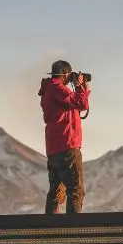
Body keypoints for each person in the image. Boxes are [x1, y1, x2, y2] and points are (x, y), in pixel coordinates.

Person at [37, 60, 90, 214]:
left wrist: (81, 89)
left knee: (55, 193)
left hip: (54, 150)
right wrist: (80, 87)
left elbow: (75, 104)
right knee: (76, 191)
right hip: (67, 146)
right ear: (66, 74)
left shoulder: (49, 91)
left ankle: (50, 233)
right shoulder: (57, 89)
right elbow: (82, 104)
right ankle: (72, 234)